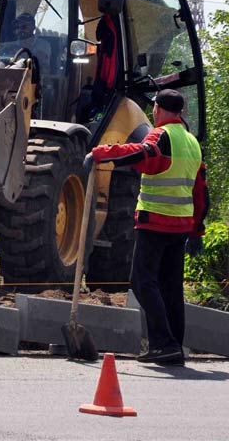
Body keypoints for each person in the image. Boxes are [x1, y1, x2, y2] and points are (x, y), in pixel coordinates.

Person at [91, 89, 208, 366]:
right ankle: (173, 347)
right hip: (180, 226)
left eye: (154, 108)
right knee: (170, 287)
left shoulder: (160, 135)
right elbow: (201, 191)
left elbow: (142, 153)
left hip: (156, 221)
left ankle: (163, 343)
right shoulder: (192, 142)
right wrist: (197, 229)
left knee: (143, 282)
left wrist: (102, 153)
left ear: (158, 109)